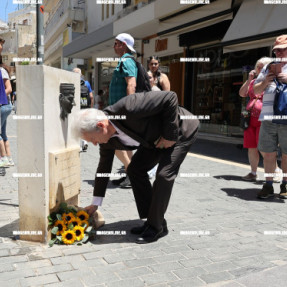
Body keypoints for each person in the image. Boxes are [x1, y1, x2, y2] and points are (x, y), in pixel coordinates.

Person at [72, 91, 199, 244]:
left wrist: (169, 135)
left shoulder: (128, 107)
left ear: (101, 126)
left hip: (180, 130)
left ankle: (155, 227)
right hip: (153, 140)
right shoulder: (107, 141)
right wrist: (95, 203)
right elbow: (103, 168)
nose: (94, 144)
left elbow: (170, 97)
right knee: (134, 169)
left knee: (164, 175)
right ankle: (154, 221)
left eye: (92, 139)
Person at [254, 35, 287, 199]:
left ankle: (285, 185)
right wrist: (265, 82)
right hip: (268, 117)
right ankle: (268, 184)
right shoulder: (268, 67)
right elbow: (256, 91)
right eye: (277, 50)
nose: (279, 52)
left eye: (283, 49)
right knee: (268, 153)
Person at [109, 33, 137, 188]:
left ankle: (132, 174)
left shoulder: (126, 60)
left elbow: (131, 84)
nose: (114, 46)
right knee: (124, 145)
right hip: (118, 110)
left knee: (114, 143)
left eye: (116, 43)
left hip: (121, 111)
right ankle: (129, 174)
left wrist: (129, 108)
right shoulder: (124, 60)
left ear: (123, 45)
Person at [239, 57, 272, 181]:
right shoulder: (253, 82)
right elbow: (242, 93)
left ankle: (274, 171)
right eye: (258, 66)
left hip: (264, 119)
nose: (259, 68)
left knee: (264, 148)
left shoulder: (271, 81)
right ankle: (253, 172)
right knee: (252, 147)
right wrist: (249, 80)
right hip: (250, 119)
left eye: (262, 66)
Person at [73, 67, 94, 151]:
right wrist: (91, 108)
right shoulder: (87, 83)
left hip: (76, 108)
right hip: (85, 107)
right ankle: (84, 142)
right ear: (81, 74)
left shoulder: (72, 82)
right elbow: (91, 97)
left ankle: (79, 144)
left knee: (77, 125)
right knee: (84, 125)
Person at [0, 41, 14, 167]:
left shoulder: (1, 71)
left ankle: (3, 158)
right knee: (3, 133)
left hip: (3, 105)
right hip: (6, 106)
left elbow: (8, 88)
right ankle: (9, 159)